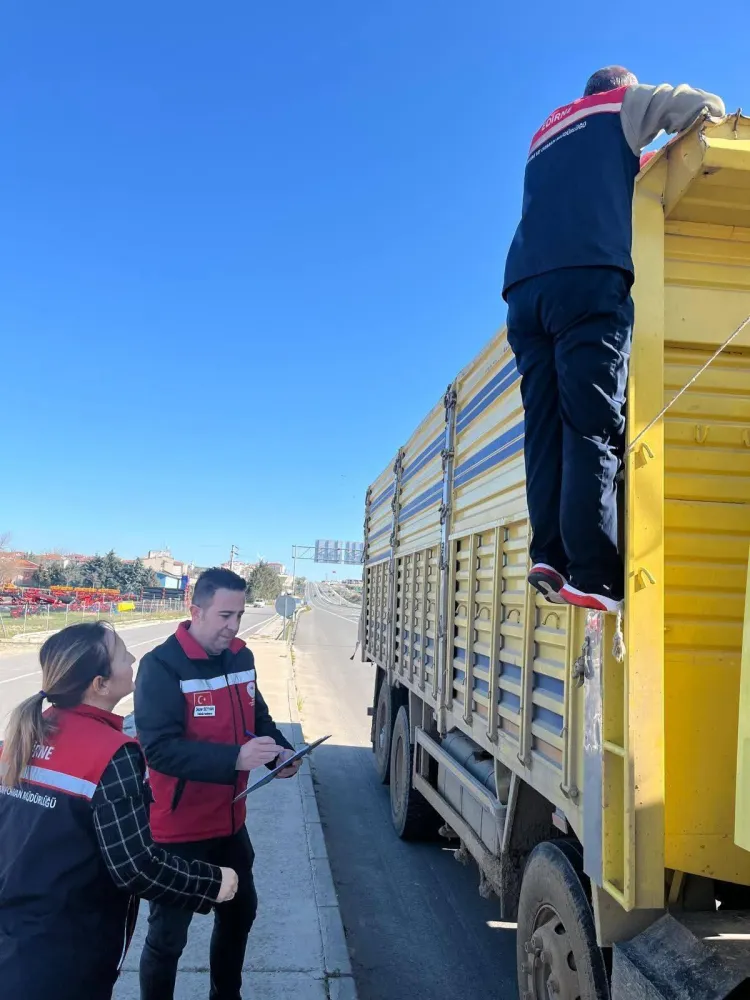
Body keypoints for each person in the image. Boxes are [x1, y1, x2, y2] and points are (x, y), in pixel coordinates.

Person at [503, 66, 725, 612]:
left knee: (546, 431)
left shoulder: (544, 134)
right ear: (621, 88)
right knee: (592, 426)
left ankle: (548, 554)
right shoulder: (621, 106)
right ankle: (596, 576)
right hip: (586, 280)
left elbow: (586, 190)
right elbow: (703, 104)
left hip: (524, 291)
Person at [0, 622, 239, 1000]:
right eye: (122, 655)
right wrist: (215, 883)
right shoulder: (113, 752)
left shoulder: (26, 734)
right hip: (68, 949)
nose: (132, 660)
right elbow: (135, 866)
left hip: (16, 935)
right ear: (100, 684)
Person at [135, 567, 300, 1000]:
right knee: (168, 938)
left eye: (240, 615)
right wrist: (234, 759)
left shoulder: (242, 658)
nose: (233, 626)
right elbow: (159, 750)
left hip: (230, 823)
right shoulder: (160, 667)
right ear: (197, 610)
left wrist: (279, 755)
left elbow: (258, 720)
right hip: (178, 832)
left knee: (240, 914)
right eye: (225, 615)